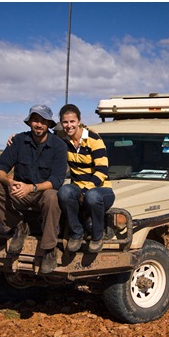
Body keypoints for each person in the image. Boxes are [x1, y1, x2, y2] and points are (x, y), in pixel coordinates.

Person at [0, 105, 67, 273]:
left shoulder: (59, 145)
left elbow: (57, 180)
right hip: (19, 192)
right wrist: (9, 182)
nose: (39, 124)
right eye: (35, 120)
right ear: (29, 122)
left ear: (49, 124)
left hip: (42, 193)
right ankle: (19, 226)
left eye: (43, 121)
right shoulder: (18, 141)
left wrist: (32, 188)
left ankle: (49, 249)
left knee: (52, 196)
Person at [57, 104, 115, 253]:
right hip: (78, 190)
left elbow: (102, 170)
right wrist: (15, 137)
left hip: (101, 190)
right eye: (65, 122)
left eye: (72, 121)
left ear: (79, 121)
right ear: (61, 123)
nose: (69, 125)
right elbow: (43, 137)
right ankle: (77, 233)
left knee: (92, 195)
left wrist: (85, 190)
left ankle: (97, 236)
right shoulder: (63, 141)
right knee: (64, 192)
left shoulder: (94, 139)